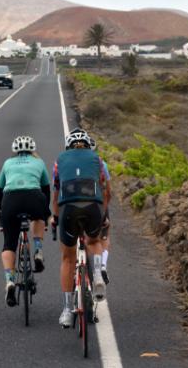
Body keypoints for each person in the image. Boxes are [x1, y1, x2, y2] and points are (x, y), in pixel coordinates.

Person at [51, 128, 109, 327]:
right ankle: (98, 274)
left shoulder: (59, 160)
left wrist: (55, 218)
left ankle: (67, 310)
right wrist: (104, 214)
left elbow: (56, 192)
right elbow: (105, 188)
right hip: (93, 206)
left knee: (68, 258)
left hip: (68, 208)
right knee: (93, 240)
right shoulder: (97, 159)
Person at [0, 136, 51, 307]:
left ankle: (10, 281)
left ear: (15, 150)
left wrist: (1, 214)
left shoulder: (7, 163)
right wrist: (45, 213)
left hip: (10, 201)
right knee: (40, 217)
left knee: (8, 245)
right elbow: (46, 190)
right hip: (34, 198)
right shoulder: (39, 162)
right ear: (33, 149)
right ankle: (38, 252)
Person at [89, 138, 112, 284]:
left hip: (76, 205)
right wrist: (104, 213)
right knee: (103, 236)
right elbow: (108, 191)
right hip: (98, 206)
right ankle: (102, 265)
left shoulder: (73, 164)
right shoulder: (102, 164)